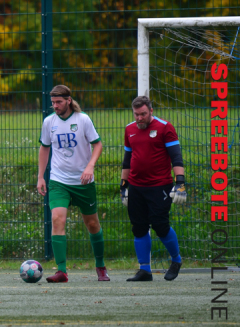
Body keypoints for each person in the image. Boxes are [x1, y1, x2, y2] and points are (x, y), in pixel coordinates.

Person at [37, 85, 109, 283]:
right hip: (58, 180)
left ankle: (100, 266)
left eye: (59, 102)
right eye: (53, 102)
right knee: (57, 219)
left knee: (92, 224)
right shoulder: (49, 122)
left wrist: (90, 166)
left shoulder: (82, 119)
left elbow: (98, 144)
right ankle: (62, 271)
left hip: (83, 181)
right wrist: (41, 176)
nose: (55, 106)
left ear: (69, 100)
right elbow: (44, 148)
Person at [122, 95, 185, 282]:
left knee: (160, 225)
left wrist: (180, 183)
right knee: (139, 227)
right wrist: (123, 186)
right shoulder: (129, 129)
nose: (139, 118)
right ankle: (144, 270)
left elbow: (176, 157)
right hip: (136, 186)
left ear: (151, 111)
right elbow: (127, 160)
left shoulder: (165, 127)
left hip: (160, 186)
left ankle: (176, 260)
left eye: (143, 114)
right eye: (136, 114)